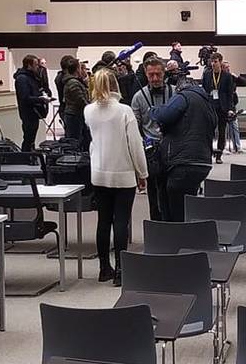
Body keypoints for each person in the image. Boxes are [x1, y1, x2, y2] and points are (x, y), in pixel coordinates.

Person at [83, 68, 147, 283]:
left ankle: (104, 268)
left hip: (99, 173)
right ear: (115, 85)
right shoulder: (124, 111)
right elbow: (135, 145)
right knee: (121, 221)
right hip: (123, 173)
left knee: (103, 221)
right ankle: (121, 270)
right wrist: (142, 172)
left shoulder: (88, 111)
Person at [151, 70, 217, 221]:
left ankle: (177, 240)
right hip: (202, 162)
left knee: (176, 211)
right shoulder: (207, 102)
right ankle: (187, 237)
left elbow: (165, 115)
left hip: (182, 162)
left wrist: (153, 111)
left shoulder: (184, 96)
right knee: (187, 203)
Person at [131, 55, 176, 219]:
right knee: (154, 193)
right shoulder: (138, 97)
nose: (155, 78)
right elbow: (134, 127)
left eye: (158, 74)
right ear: (145, 74)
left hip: (172, 148)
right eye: (151, 75)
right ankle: (156, 227)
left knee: (171, 190)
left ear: (164, 73)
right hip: (150, 151)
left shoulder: (174, 92)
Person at [202, 52, 238, 163]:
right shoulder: (207, 74)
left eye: (215, 62)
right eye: (212, 62)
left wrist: (230, 108)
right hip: (210, 106)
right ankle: (208, 153)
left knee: (222, 132)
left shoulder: (227, 76)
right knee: (208, 132)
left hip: (222, 107)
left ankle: (219, 155)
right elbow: (204, 90)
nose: (213, 64)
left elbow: (230, 93)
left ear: (220, 62)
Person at [13, 54, 49, 152]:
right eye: (36, 65)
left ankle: (30, 155)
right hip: (28, 112)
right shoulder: (22, 79)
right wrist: (40, 99)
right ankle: (26, 156)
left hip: (34, 112)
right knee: (28, 137)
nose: (38, 67)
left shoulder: (32, 77)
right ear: (29, 65)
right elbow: (25, 98)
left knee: (32, 137)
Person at [61, 60, 89, 146]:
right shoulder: (73, 83)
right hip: (74, 115)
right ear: (77, 69)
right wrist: (90, 108)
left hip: (74, 114)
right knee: (75, 141)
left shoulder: (73, 81)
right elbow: (80, 100)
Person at [223, 59, 246, 153]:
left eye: (229, 67)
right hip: (224, 105)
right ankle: (223, 147)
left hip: (232, 104)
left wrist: (236, 77)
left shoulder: (232, 77)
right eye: (226, 67)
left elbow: (245, 83)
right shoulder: (221, 78)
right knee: (224, 128)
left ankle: (237, 147)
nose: (228, 69)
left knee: (234, 126)